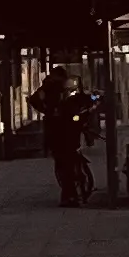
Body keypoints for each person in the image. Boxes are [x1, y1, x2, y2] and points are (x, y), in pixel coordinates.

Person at [41, 68, 93, 207]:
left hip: (59, 133)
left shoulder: (52, 92)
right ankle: (70, 196)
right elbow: (83, 100)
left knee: (64, 164)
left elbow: (82, 100)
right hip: (65, 133)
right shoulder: (59, 92)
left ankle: (69, 195)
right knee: (67, 164)